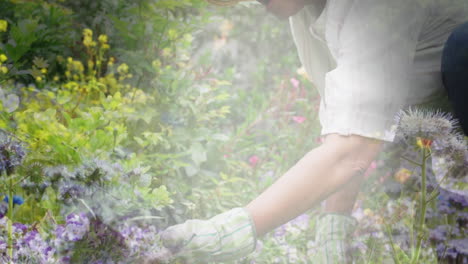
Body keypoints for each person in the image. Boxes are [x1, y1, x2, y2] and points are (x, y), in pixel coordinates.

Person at [150, 0, 468, 263]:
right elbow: (349, 118)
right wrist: (334, 227)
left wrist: (230, 232)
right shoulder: (307, 12)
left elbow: (353, 148)